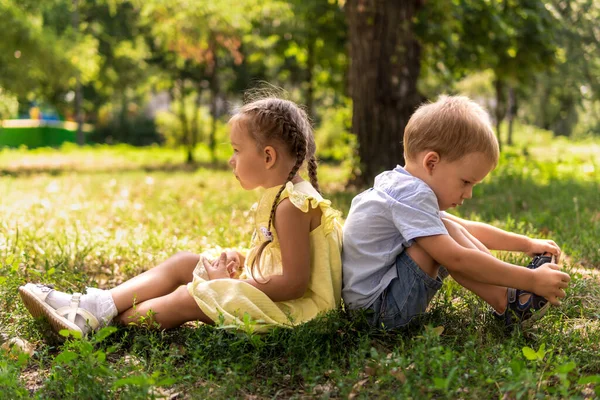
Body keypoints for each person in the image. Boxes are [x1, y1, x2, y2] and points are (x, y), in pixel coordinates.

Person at [19, 97, 343, 335]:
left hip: (299, 315)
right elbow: (281, 259)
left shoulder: (292, 206)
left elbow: (295, 283)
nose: (232, 161)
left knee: (189, 295)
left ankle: (98, 321)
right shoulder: (283, 197)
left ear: (268, 156)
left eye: (236, 150)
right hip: (283, 300)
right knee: (185, 263)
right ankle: (97, 306)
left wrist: (233, 283)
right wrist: (242, 259)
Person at [342, 95, 570, 330]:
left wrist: (525, 244)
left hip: (378, 301)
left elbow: (467, 228)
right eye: (465, 182)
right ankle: (508, 300)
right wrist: (531, 279)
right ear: (431, 163)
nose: (468, 194)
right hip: (378, 314)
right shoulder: (410, 195)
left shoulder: (402, 186)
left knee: (448, 226)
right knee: (446, 238)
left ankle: (509, 295)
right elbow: (457, 259)